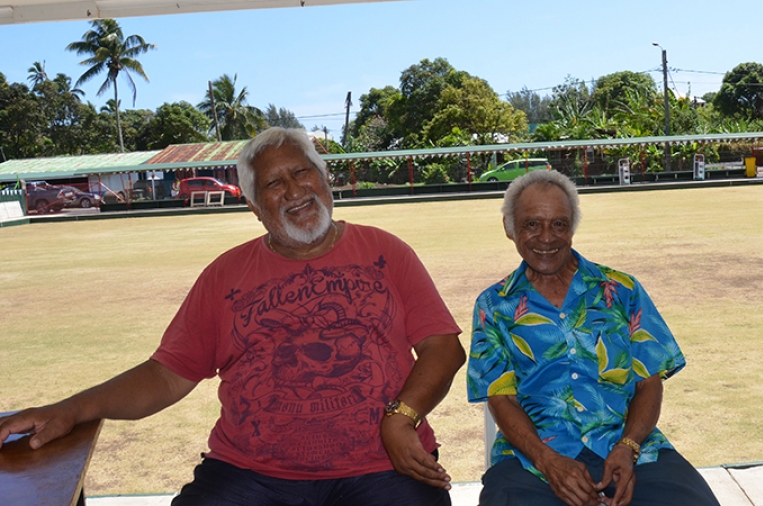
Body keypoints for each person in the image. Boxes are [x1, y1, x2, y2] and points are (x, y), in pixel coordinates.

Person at [0, 127, 466, 506]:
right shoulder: (225, 275)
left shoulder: (387, 252)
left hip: (383, 467)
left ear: (325, 178)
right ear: (253, 207)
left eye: (302, 172)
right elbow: (166, 375)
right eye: (273, 184)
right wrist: (70, 409)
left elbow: (443, 347)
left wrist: (400, 419)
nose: (293, 191)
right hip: (250, 474)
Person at [467, 170, 719, 506]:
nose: (546, 237)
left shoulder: (622, 290)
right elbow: (502, 399)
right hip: (532, 459)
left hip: (630, 449)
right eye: (532, 224)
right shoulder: (493, 305)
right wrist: (547, 461)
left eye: (559, 224)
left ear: (571, 227)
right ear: (510, 228)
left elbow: (649, 382)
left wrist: (628, 446)